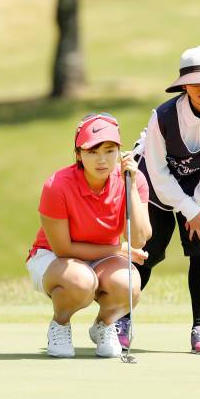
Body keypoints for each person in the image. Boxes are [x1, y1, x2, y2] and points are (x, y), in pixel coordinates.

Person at [117, 46, 200, 354]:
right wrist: (190, 209)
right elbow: (159, 174)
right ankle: (120, 320)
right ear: (184, 85)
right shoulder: (162, 116)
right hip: (155, 179)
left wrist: (197, 208)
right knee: (146, 252)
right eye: (197, 82)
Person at [25, 113, 152, 358]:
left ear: (119, 151)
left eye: (109, 150)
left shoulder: (132, 180)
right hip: (53, 257)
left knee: (128, 285)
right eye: (92, 151)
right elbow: (64, 249)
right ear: (78, 155)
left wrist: (132, 186)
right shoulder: (57, 185)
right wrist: (118, 250)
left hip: (102, 256)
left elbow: (139, 239)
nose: (102, 160)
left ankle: (105, 325)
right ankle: (60, 324)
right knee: (81, 281)